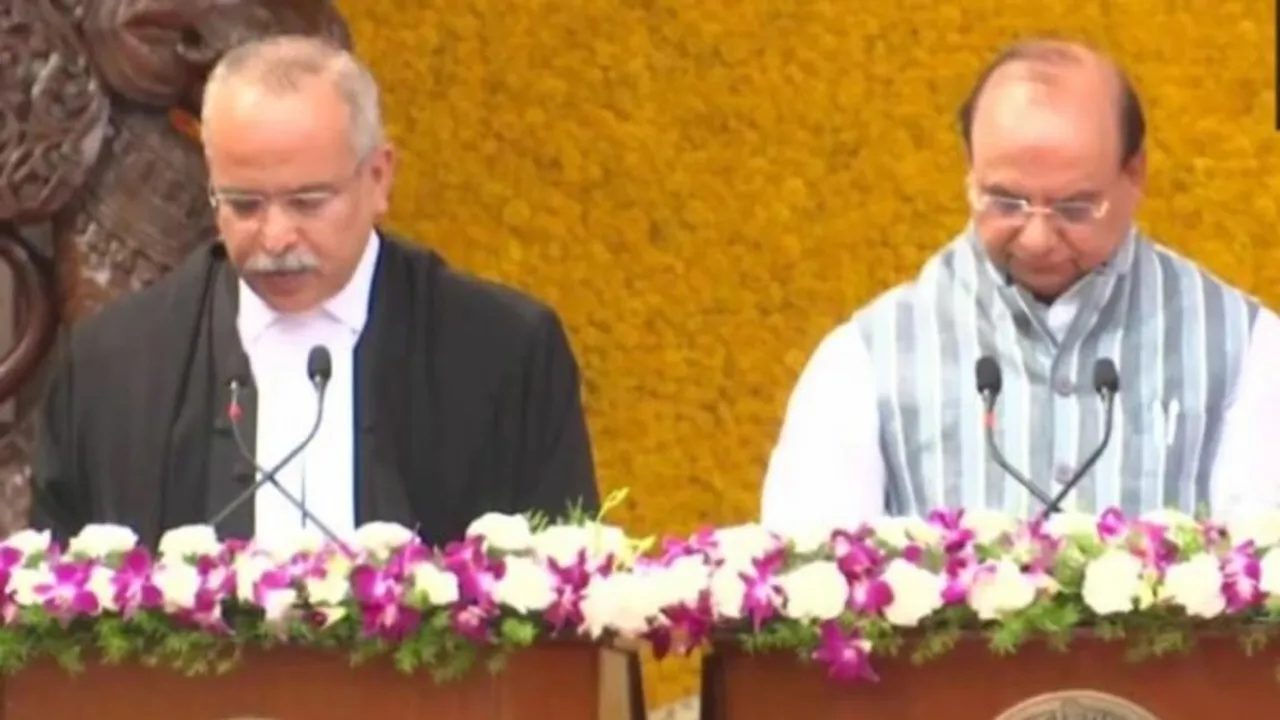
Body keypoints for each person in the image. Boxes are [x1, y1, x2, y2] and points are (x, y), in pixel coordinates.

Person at [29, 35, 600, 548]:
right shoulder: (113, 367)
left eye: (308, 202)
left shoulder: (503, 352)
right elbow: (54, 619)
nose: (275, 238)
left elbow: (564, 609)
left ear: (378, 178)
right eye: (245, 204)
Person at [760, 38, 1280, 533]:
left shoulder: (1245, 349)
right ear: (970, 171)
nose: (1036, 238)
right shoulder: (864, 359)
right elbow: (809, 587)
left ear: (1135, 173)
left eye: (1075, 207)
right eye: (1005, 202)